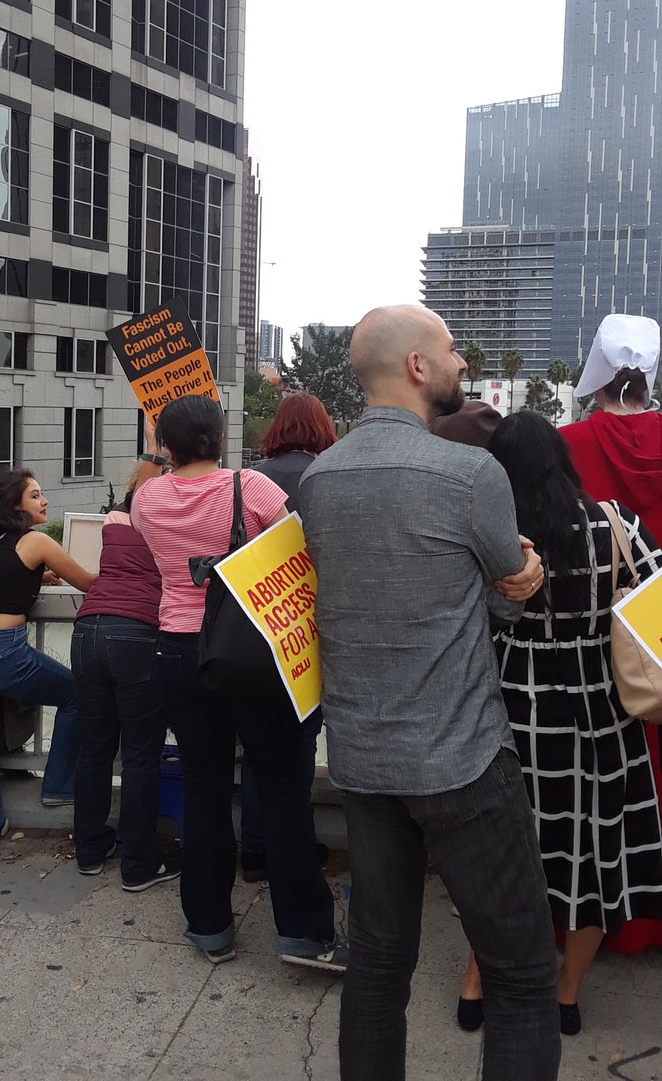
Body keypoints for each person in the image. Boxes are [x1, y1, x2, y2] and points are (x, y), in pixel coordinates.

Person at [299, 305, 560, 1081]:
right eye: (449, 351)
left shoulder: (318, 479)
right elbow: (503, 593)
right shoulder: (472, 474)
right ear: (417, 366)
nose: (459, 364)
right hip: (463, 760)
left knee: (378, 966)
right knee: (520, 973)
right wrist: (525, 580)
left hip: (363, 761)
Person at [454, 411, 662, 1037]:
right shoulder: (615, 524)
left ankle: (476, 984)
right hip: (600, 710)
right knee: (594, 853)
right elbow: (653, 598)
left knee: (502, 853)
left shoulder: (496, 533)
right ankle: (566, 997)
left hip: (513, 705)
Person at [132, 394, 343, 970]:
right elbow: (299, 551)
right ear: (218, 438)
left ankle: (209, 925)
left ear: (167, 444)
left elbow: (161, 560)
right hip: (249, 650)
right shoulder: (249, 487)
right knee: (280, 787)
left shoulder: (145, 498)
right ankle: (303, 930)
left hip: (178, 647)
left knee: (203, 787)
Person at [560, 312, 662, 953]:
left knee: (599, 786)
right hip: (659, 639)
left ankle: (600, 917)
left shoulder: (566, 446)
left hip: (592, 646)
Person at [0, 469, 96, 853]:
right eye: (36, 495)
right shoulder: (38, 542)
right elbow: (91, 582)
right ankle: (58, 787)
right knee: (77, 695)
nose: (44, 501)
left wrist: (38, 580)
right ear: (15, 506)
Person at [240, 392, 336, 882]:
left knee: (258, 743)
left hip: (255, 627)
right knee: (300, 742)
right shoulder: (329, 476)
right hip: (310, 627)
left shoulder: (247, 480)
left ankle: (254, 846)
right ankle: (291, 850)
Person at [72, 450, 171, 890]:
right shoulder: (168, 524)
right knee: (140, 755)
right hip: (137, 632)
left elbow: (141, 488)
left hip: (87, 629)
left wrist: (154, 449)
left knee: (93, 749)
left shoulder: (114, 520)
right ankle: (138, 864)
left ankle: (90, 851)